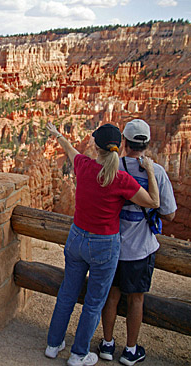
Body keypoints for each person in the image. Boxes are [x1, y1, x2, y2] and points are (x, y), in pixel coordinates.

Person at [44, 122, 160, 366]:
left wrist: (58, 136)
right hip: (104, 246)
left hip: (76, 238)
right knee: (94, 302)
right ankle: (78, 354)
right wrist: (149, 170)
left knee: (67, 293)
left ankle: (53, 345)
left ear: (95, 147)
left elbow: (71, 152)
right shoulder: (121, 179)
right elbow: (153, 202)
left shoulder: (85, 167)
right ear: (119, 148)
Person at [98, 119, 177, 366]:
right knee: (136, 299)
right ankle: (130, 350)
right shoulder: (158, 173)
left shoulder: (113, 166)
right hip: (141, 250)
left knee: (111, 296)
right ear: (147, 143)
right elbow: (169, 213)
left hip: (113, 246)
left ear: (125, 141)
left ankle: (107, 345)